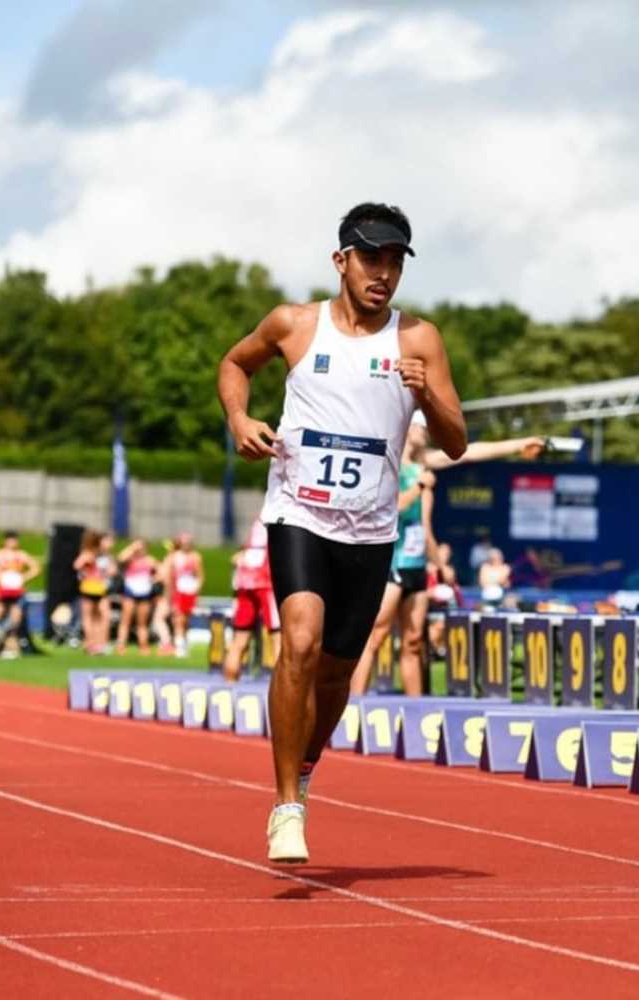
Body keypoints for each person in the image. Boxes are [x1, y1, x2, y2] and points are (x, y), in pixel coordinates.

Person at [217, 202, 466, 863]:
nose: (382, 272)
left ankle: (304, 768)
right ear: (342, 261)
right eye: (371, 258)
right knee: (299, 638)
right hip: (300, 513)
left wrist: (430, 395)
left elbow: (457, 441)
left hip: (370, 529)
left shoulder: (419, 340)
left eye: (394, 261)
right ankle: (285, 807)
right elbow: (233, 364)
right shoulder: (295, 325)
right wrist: (239, 421)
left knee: (335, 677)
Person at [349, 416, 542, 696]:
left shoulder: (424, 464)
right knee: (375, 636)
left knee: (414, 641)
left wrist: (519, 444)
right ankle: (353, 708)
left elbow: (470, 452)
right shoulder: (388, 463)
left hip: (415, 564)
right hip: (389, 561)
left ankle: (414, 711)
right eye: (423, 428)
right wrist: (419, 487)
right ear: (408, 427)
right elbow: (394, 508)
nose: (427, 433)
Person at [224, 518, 281, 682]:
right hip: (265, 581)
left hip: (245, 580)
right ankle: (284, 691)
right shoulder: (277, 516)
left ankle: (229, 686)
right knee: (279, 638)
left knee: (239, 640)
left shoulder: (256, 523)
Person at [0, 532, 40, 658]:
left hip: (17, 592)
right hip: (2, 591)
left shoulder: (21, 555)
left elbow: (36, 568)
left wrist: (24, 577)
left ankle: (9, 647)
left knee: (15, 619)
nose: (13, 543)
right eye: (10, 540)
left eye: (15, 540)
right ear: (5, 541)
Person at [74, 530, 117, 655]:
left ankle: (101, 644)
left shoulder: (106, 556)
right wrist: (89, 567)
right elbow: (77, 565)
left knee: (103, 616)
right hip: (89, 588)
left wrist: (104, 572)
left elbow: (113, 571)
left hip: (102, 589)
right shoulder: (88, 553)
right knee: (89, 616)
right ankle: (90, 643)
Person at [116, 539, 160, 655]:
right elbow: (120, 558)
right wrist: (132, 547)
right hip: (130, 593)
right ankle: (121, 645)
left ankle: (143, 645)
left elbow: (162, 572)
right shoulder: (130, 560)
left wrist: (153, 579)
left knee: (142, 622)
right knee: (125, 621)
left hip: (144, 594)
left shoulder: (150, 560)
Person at [164, 532, 203, 657]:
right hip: (179, 591)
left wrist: (197, 591)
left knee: (186, 620)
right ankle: (179, 646)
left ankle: (184, 642)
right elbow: (169, 576)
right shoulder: (174, 557)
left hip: (190, 591)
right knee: (178, 619)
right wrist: (170, 593)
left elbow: (200, 576)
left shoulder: (195, 557)